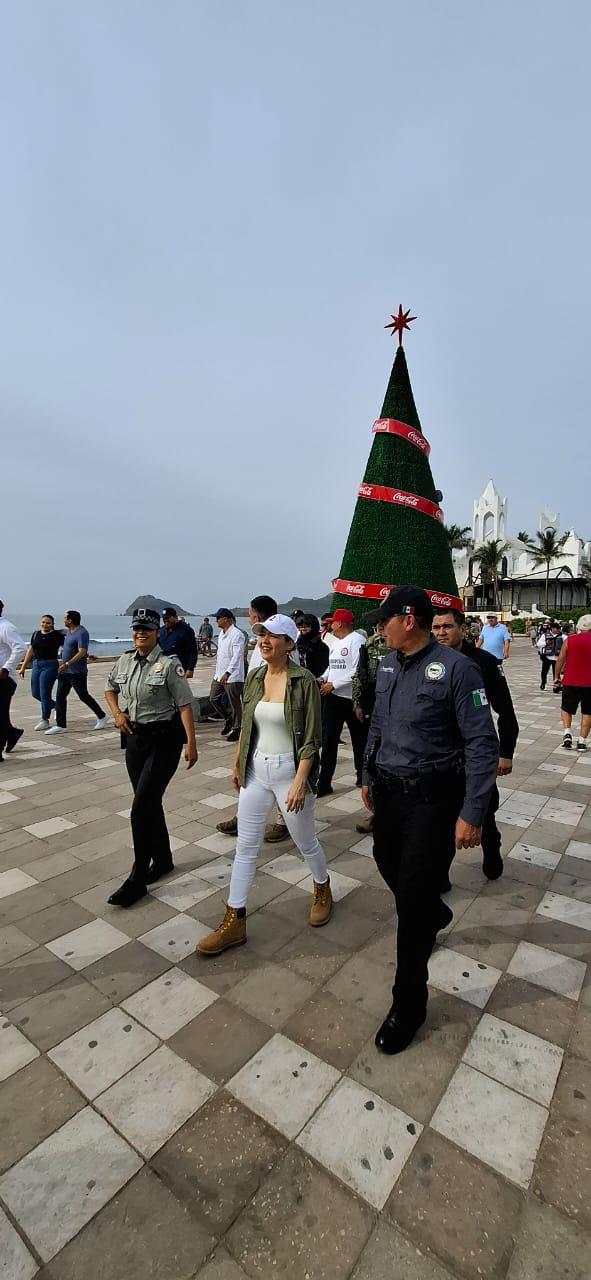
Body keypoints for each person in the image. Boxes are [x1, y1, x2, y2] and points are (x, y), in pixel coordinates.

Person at [362, 587, 499, 1055]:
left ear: (409, 620)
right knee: (389, 867)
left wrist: (473, 812)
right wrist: (366, 773)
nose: (379, 628)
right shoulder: (385, 666)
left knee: (410, 906)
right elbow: (377, 723)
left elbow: (483, 743)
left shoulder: (460, 670)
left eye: (385, 620)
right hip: (389, 794)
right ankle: (433, 912)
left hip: (432, 802)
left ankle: (409, 1004)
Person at [197, 614, 332, 955]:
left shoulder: (303, 682)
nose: (264, 640)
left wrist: (301, 781)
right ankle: (235, 919)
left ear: (289, 644)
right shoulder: (256, 675)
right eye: (261, 634)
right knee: (245, 847)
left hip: (290, 770)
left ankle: (322, 886)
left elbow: (313, 737)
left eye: (273, 635)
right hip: (256, 771)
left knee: (306, 842)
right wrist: (237, 760)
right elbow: (248, 724)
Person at [104, 607, 198, 907]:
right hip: (134, 740)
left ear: (158, 632)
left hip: (164, 742)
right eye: (136, 628)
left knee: (140, 809)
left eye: (146, 628)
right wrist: (117, 714)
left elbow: (184, 704)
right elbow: (109, 688)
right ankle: (164, 859)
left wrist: (191, 743)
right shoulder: (124, 660)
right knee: (148, 802)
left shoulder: (169, 665)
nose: (140, 633)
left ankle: (137, 878)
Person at [432, 607, 519, 882]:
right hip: (440, 755)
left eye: (447, 626)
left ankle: (492, 852)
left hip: (475, 753)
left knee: (484, 810)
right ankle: (441, 874)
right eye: (436, 628)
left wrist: (506, 753)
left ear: (462, 629)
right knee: (442, 817)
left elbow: (506, 710)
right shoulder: (430, 662)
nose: (441, 632)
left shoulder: (485, 662)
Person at [217, 595, 295, 844]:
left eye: (250, 614)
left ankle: (284, 822)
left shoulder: (282, 649)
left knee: (280, 777)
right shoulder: (262, 645)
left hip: (277, 722)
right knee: (250, 774)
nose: (249, 618)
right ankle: (243, 817)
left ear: (258, 616)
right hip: (257, 718)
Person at [316, 608, 366, 796]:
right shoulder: (336, 643)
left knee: (359, 740)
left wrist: (334, 684)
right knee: (329, 742)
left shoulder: (357, 641)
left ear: (342, 623)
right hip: (333, 700)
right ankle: (324, 783)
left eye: (333, 622)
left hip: (352, 700)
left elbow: (357, 670)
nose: (330, 626)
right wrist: (323, 677)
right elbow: (333, 666)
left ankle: (362, 777)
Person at [45, 610, 109, 735]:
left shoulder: (82, 632)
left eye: (65, 618)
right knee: (60, 697)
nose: (63, 620)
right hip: (65, 671)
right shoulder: (68, 632)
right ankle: (60, 725)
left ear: (70, 620)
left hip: (76, 671)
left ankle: (102, 716)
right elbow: (74, 648)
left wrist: (67, 664)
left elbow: (81, 651)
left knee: (83, 695)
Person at [351, 622, 388, 835]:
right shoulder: (370, 644)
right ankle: (376, 812)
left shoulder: (404, 645)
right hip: (374, 708)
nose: (381, 626)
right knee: (372, 758)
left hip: (398, 709)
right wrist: (357, 701)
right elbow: (360, 673)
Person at [17, 614, 63, 730]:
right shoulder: (36, 634)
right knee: (35, 693)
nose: (45, 624)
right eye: (43, 622)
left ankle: (44, 719)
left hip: (50, 665)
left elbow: (70, 646)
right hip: (36, 665)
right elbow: (31, 650)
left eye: (48, 623)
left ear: (52, 624)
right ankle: (56, 706)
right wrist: (23, 666)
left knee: (44, 693)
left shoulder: (57, 635)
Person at [554, 614, 591, 751]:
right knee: (588, 712)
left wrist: (557, 676)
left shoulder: (570, 640)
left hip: (571, 680)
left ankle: (567, 733)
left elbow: (560, 660)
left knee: (566, 708)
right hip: (589, 683)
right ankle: (582, 741)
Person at [210, 609, 245, 742]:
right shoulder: (221, 634)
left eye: (219, 618)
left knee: (234, 702)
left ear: (227, 619)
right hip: (219, 674)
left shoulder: (237, 634)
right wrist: (218, 673)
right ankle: (228, 718)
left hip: (233, 675)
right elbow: (221, 655)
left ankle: (237, 728)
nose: (217, 620)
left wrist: (228, 672)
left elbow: (237, 656)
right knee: (214, 698)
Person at [0, 602, 27, 762]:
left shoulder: (6, 627)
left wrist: (6, 668)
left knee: (0, 714)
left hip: (5, 679)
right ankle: (12, 733)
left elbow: (20, 647)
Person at [158, 608, 197, 676]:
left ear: (175, 617)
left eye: (168, 618)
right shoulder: (161, 630)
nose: (165, 620)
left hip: (179, 669)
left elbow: (193, 650)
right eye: (164, 618)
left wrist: (190, 669)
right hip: (163, 669)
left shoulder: (186, 630)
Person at [297, 614, 330, 678]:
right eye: (300, 626)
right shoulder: (299, 642)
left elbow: (324, 666)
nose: (303, 629)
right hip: (301, 678)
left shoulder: (321, 645)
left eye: (307, 626)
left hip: (316, 679)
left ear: (314, 627)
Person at [537, 621, 562, 690]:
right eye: (557, 629)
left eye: (558, 629)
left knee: (556, 672)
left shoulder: (562, 636)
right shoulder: (545, 635)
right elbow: (539, 644)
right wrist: (546, 643)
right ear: (552, 629)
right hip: (547, 656)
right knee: (544, 671)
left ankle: (556, 685)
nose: (558, 630)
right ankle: (543, 682)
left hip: (557, 657)